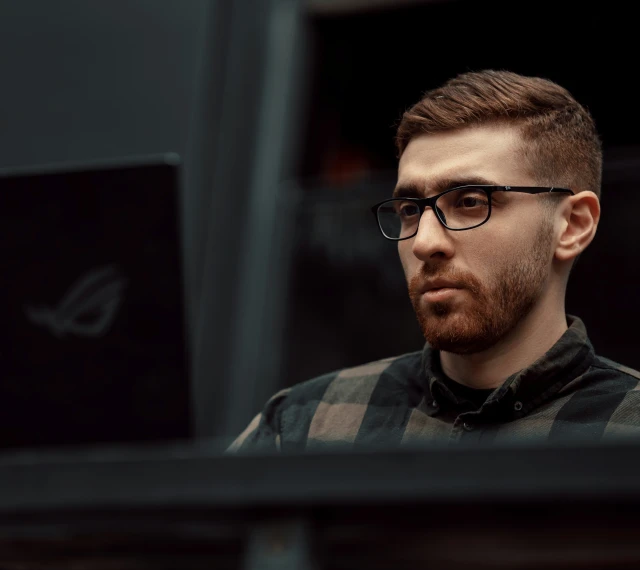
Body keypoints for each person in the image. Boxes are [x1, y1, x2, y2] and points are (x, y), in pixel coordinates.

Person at [227, 69, 640, 454]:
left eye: (470, 202)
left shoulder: (626, 431)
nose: (424, 242)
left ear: (572, 225)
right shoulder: (304, 427)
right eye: (410, 208)